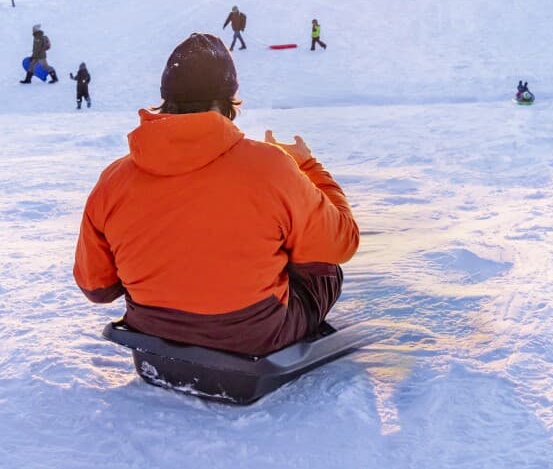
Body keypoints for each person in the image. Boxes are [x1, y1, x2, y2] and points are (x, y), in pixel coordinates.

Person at [73, 33, 359, 357]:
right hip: (256, 337)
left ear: (167, 96)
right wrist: (306, 165)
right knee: (322, 263)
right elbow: (342, 242)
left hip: (152, 330)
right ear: (228, 97)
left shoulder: (114, 179)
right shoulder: (269, 166)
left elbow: (97, 288)